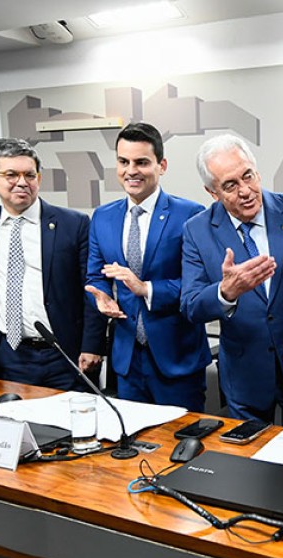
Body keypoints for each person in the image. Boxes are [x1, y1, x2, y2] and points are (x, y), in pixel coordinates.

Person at [181, 134, 283, 424]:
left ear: (257, 172)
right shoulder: (197, 230)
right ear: (212, 192)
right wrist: (225, 292)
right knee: (249, 450)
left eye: (248, 176)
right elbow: (191, 305)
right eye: (230, 185)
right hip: (245, 374)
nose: (245, 191)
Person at [85, 123, 210, 411]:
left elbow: (199, 285)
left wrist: (146, 289)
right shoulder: (102, 217)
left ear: (161, 165)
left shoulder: (191, 214)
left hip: (177, 358)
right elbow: (96, 275)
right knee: (133, 437)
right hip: (127, 360)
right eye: (123, 162)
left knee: (181, 436)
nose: (131, 171)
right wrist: (101, 298)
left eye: (141, 162)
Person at [0, 138, 106, 390]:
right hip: (12, 353)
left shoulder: (73, 223)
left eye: (29, 175)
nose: (22, 182)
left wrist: (93, 345)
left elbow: (92, 289)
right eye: (11, 175)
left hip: (66, 355)